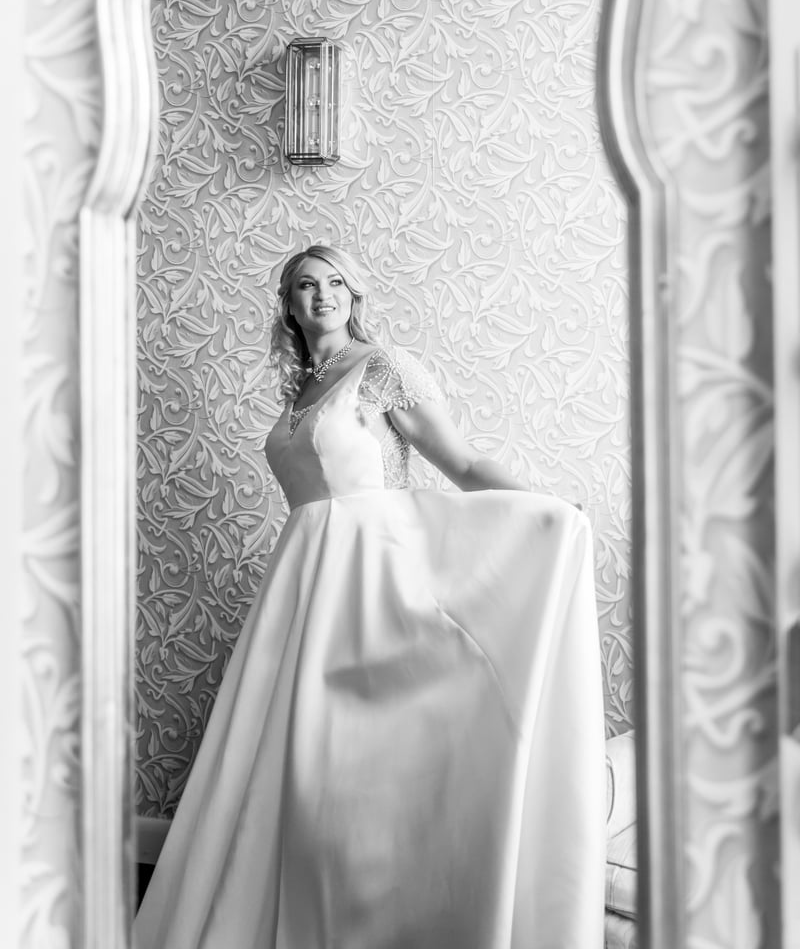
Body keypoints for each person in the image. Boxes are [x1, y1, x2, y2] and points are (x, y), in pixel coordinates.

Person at [134, 244, 607, 949]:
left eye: (336, 283)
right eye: (305, 285)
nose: (322, 295)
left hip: (374, 577)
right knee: (298, 767)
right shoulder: (299, 389)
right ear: (289, 306)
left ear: (355, 297)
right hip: (303, 582)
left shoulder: (383, 368)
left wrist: (548, 509)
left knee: (362, 764)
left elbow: (462, 461)